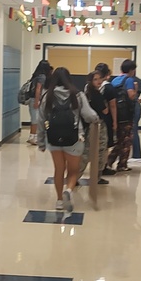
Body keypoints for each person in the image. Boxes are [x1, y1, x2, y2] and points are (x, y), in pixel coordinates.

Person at [37, 67, 99, 213]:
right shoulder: (77, 95)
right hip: (74, 139)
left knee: (59, 169)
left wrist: (41, 142)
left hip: (53, 140)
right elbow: (89, 115)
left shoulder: (48, 96)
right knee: (73, 171)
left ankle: (59, 200)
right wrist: (97, 119)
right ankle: (69, 191)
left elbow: (41, 120)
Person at [103, 60, 138, 175]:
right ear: (132, 70)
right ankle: (121, 164)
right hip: (126, 115)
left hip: (116, 114)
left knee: (119, 139)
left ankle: (108, 161)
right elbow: (131, 96)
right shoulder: (129, 80)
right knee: (127, 140)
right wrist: (136, 90)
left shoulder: (115, 80)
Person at [81, 70, 110, 185]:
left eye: (99, 79)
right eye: (95, 79)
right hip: (98, 125)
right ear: (91, 81)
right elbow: (105, 110)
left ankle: (75, 175)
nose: (98, 81)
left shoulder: (87, 92)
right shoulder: (96, 94)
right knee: (100, 150)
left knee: (86, 152)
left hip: (88, 125)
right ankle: (97, 176)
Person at [25, 60, 53, 144]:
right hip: (35, 99)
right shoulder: (42, 77)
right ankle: (33, 137)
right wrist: (37, 101)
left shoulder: (36, 76)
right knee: (36, 119)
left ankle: (31, 136)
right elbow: (38, 89)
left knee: (34, 118)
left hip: (32, 99)